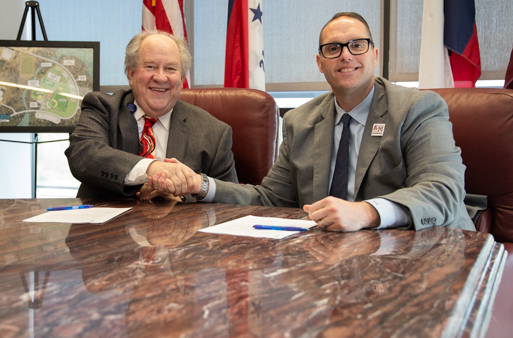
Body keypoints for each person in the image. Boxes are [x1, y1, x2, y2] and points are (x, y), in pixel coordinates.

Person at [151, 12, 476, 232]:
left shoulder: (416, 109)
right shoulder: (301, 121)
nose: (346, 55)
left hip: (426, 256)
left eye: (357, 45)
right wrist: (201, 185)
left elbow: (443, 192)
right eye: (333, 49)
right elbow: (270, 200)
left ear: (374, 55)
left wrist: (367, 212)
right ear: (320, 63)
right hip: (337, 260)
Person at [65, 30, 238, 200]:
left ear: (182, 79)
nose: (160, 77)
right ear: (131, 74)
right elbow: (84, 155)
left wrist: (183, 191)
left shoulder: (213, 132)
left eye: (170, 69)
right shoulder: (103, 108)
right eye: (150, 67)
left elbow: (230, 199)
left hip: (181, 226)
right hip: (106, 225)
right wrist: (153, 169)